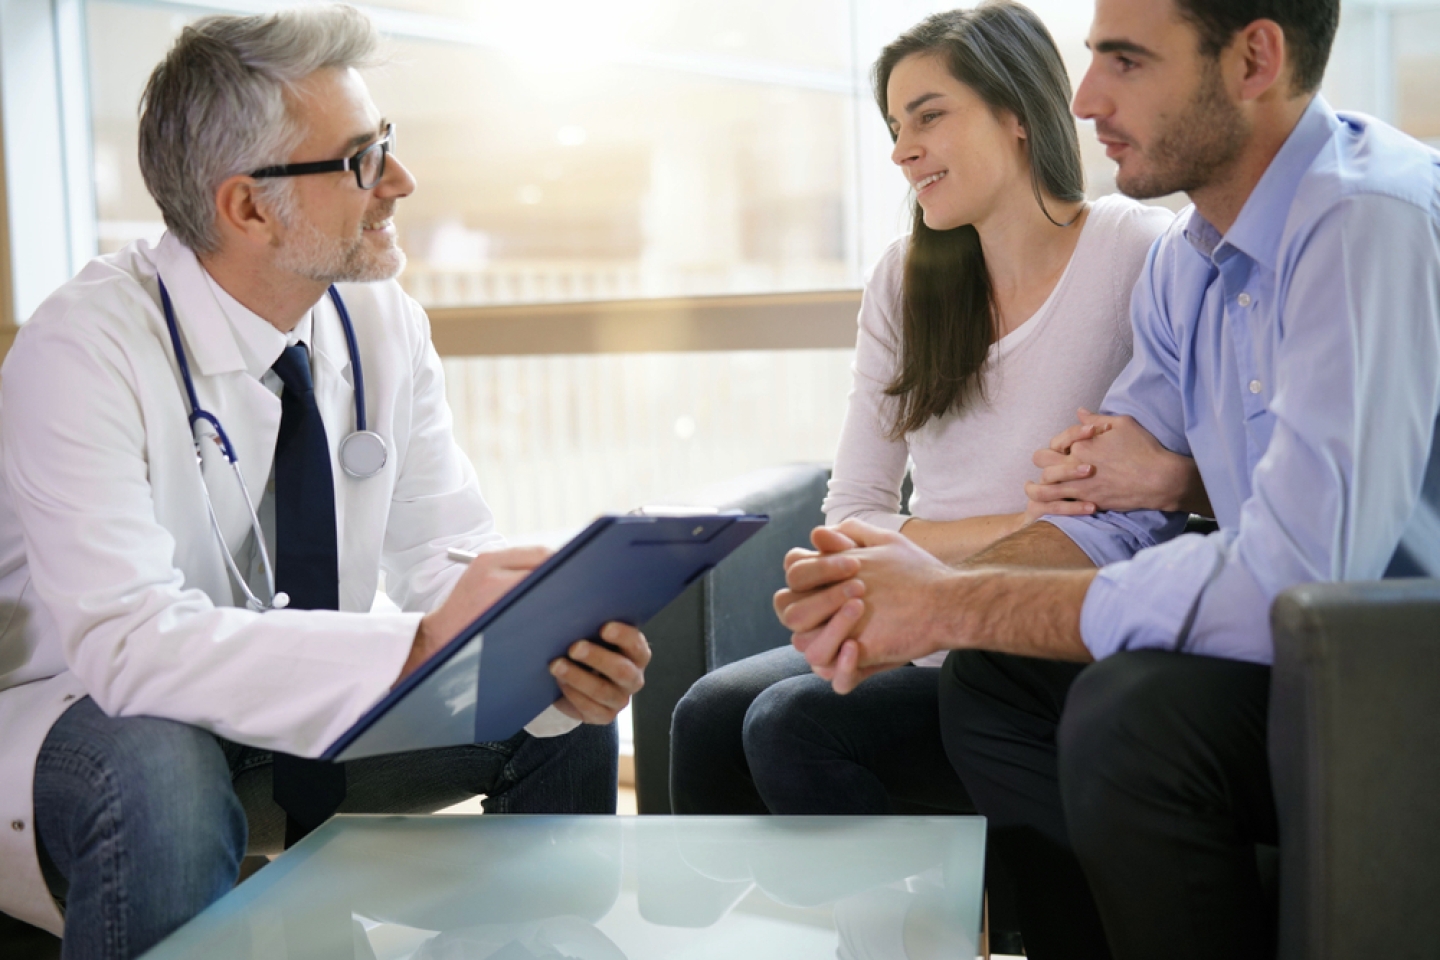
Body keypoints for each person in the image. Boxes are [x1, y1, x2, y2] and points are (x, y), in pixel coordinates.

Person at [775, 0, 1440, 957]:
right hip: (1306, 651)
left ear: (1253, 58)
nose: (1083, 100)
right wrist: (944, 603)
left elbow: (1300, 584)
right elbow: (1107, 511)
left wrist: (951, 603)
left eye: (1125, 62)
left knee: (1135, 721)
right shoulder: (1187, 264)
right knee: (997, 681)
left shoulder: (1361, 221)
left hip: (1394, 663)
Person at [0, 8, 650, 958]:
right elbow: (126, 645)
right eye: (359, 161)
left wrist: (542, 633)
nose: (401, 182)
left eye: (386, 144)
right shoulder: (83, 348)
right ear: (249, 208)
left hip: (287, 706)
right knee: (163, 768)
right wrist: (420, 641)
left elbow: (442, 547)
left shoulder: (379, 321)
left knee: (551, 710)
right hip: (77, 720)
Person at [670, 1, 1185, 821]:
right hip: (908, 624)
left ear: (1016, 113)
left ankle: (899, 930)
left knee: (788, 724)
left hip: (1031, 643)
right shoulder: (905, 278)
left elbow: (1136, 515)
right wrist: (1012, 521)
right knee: (704, 715)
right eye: (894, 124)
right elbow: (851, 514)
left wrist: (926, 557)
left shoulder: (1139, 249)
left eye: (929, 116)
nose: (901, 149)